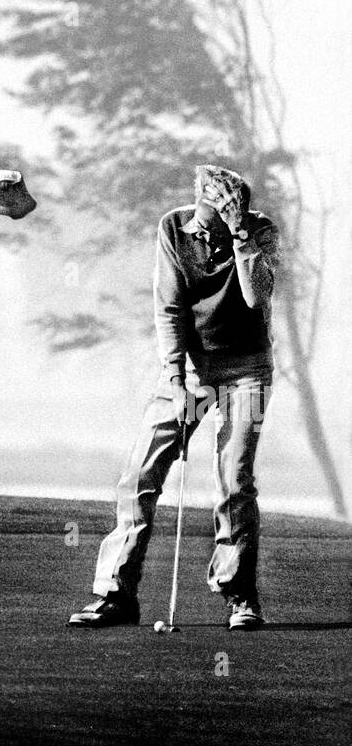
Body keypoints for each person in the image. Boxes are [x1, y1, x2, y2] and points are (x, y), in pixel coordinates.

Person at [70, 164, 280, 631]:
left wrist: (242, 235)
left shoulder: (261, 229)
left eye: (221, 213)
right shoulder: (172, 227)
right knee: (142, 472)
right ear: (197, 200)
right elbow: (169, 305)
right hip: (190, 366)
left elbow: (255, 297)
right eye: (207, 213)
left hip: (248, 369)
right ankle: (115, 593)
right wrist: (175, 373)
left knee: (235, 476)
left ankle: (240, 595)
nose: (209, 226)